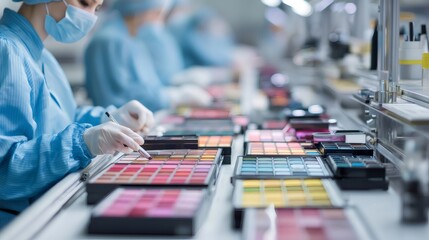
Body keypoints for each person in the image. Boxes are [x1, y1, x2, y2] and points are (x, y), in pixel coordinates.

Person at [0, 0, 155, 229]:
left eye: (97, 8)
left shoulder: (43, 57)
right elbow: (5, 171)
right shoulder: (6, 51)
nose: (90, 17)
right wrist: (82, 143)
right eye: (84, 3)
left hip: (50, 205)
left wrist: (111, 119)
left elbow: (63, 117)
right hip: (18, 222)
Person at [84, 0, 212, 111]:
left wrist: (172, 88)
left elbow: (148, 85)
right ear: (139, 10)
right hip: (120, 130)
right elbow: (120, 97)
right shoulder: (110, 41)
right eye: (156, 13)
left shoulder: (131, 37)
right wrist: (171, 97)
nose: (157, 20)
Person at [167, 1, 235, 68]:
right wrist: (229, 58)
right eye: (180, 9)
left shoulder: (198, 32)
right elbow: (207, 58)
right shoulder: (189, 34)